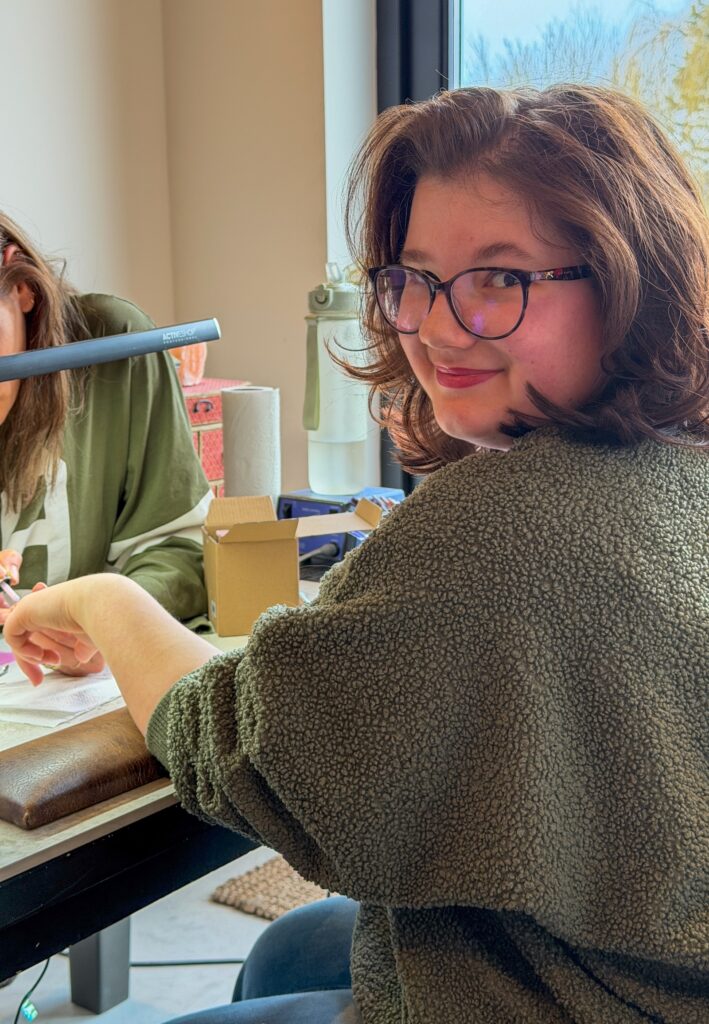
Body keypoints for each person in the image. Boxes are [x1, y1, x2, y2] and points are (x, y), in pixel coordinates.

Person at [4, 83, 708, 1023]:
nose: (437, 326)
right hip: (634, 954)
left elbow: (243, 751)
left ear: (627, 279)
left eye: (503, 277)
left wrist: (99, 602)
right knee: (297, 944)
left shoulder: (494, 534)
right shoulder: (676, 464)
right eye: (413, 275)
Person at [0, 213, 212, 672]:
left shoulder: (116, 345)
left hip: (79, 704)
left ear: (20, 287)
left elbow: (179, 551)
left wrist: (106, 623)